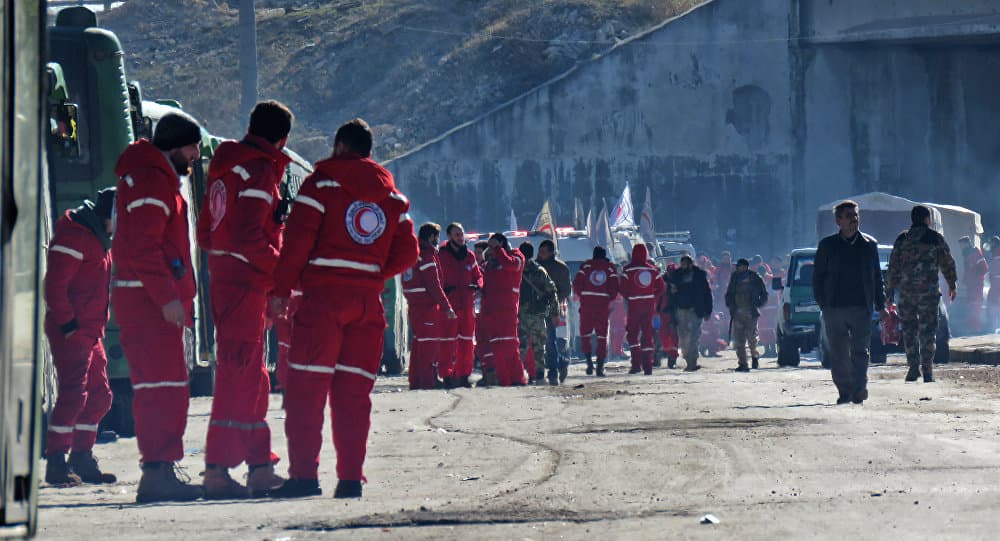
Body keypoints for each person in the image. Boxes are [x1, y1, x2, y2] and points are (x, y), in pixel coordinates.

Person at [269, 119, 418, 499]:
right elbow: (409, 251)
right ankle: (350, 479)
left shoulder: (321, 185)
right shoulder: (392, 197)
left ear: (338, 146)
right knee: (354, 395)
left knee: (306, 390)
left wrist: (282, 289)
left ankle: (304, 476)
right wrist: (372, 273)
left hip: (322, 302)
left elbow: (297, 242)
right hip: (367, 306)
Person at [195, 100, 293, 499]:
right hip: (245, 285)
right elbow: (250, 237)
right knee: (239, 378)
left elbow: (206, 233)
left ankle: (258, 466)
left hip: (229, 282)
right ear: (282, 138)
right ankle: (217, 469)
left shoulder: (223, 168)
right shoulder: (257, 171)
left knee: (252, 377)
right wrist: (279, 275)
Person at [112, 112, 203, 502]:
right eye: (193, 146)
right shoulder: (151, 182)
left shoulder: (153, 177)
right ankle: (157, 472)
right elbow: (145, 249)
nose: (197, 155)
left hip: (147, 299)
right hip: (148, 302)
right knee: (161, 386)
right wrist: (167, 298)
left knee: (165, 385)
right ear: (176, 146)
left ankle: (161, 467)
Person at [43, 188, 117, 486]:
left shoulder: (97, 237)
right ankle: (56, 463)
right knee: (74, 394)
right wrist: (68, 325)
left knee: (101, 396)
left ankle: (81, 457)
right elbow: (55, 286)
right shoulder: (76, 235)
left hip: (88, 330)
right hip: (73, 330)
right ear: (110, 215)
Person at [813, 200, 887, 405]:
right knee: (838, 353)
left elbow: (876, 277)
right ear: (838, 221)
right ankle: (845, 391)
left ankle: (860, 389)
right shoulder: (828, 245)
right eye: (848, 216)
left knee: (860, 351)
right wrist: (823, 304)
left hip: (861, 307)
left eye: (856, 215)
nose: (854, 220)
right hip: (834, 308)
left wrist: (881, 306)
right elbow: (818, 277)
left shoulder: (868, 245)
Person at [886, 206, 958, 383]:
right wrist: (952, 283)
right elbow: (947, 262)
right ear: (927, 219)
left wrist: (889, 291)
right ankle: (927, 370)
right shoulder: (934, 238)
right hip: (928, 294)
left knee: (909, 331)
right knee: (928, 330)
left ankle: (912, 368)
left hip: (907, 294)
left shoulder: (902, 239)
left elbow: (893, 266)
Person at [403, 222, 456, 390]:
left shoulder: (412, 254)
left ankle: (417, 381)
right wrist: (447, 307)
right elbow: (434, 286)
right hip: (426, 307)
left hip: (414, 305)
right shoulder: (426, 257)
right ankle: (428, 382)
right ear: (432, 237)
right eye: (436, 237)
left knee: (419, 344)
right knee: (429, 344)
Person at [438, 223, 483, 387]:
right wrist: (443, 289)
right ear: (449, 236)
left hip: (466, 304)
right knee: (447, 342)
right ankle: (447, 375)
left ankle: (464, 375)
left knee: (466, 342)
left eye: (461, 234)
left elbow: (478, 276)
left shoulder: (469, 256)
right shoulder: (441, 256)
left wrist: (478, 285)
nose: (460, 237)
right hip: (449, 306)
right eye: (456, 234)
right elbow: (435, 278)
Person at [480, 233, 526, 386]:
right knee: (497, 347)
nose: (492, 251)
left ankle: (517, 379)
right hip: (491, 312)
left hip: (508, 309)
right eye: (491, 247)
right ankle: (504, 380)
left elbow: (510, 265)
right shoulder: (489, 265)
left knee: (510, 345)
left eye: (495, 246)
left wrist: (498, 249)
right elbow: (485, 287)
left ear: (502, 244)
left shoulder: (517, 256)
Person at [573, 246, 620, 377]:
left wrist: (583, 295)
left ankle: (589, 363)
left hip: (587, 304)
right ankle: (600, 366)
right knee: (602, 336)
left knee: (585, 335)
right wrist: (608, 297)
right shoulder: (610, 268)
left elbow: (577, 284)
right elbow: (615, 287)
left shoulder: (586, 266)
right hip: (602, 306)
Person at [620, 244, 666, 375]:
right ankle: (648, 366)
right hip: (649, 307)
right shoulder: (652, 270)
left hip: (634, 307)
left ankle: (636, 365)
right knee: (648, 336)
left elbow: (622, 288)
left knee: (633, 336)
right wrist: (652, 295)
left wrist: (630, 296)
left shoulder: (627, 270)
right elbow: (662, 288)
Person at [518, 241, 559, 384]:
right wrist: (555, 313)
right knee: (539, 347)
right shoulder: (539, 270)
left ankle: (518, 375)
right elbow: (552, 291)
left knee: (520, 346)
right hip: (536, 315)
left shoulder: (516, 270)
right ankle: (540, 375)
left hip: (520, 314)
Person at [668, 255, 713, 371]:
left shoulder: (699, 275)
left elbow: (707, 293)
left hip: (695, 310)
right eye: (682, 263)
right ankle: (688, 359)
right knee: (683, 337)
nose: (683, 265)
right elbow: (671, 294)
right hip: (680, 310)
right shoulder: (676, 276)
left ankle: (692, 362)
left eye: (685, 263)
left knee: (693, 336)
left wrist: (708, 310)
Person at [537, 239, 572, 383]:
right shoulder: (535, 267)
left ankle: (555, 370)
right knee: (538, 342)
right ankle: (538, 372)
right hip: (536, 309)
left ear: (551, 252)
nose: (540, 254)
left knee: (551, 341)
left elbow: (566, 290)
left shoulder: (561, 268)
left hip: (553, 310)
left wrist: (553, 300)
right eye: (540, 251)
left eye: (544, 252)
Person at [724, 258, 768, 372]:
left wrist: (758, 303)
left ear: (746, 266)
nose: (739, 268)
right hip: (738, 312)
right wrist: (730, 304)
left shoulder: (754, 277)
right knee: (739, 340)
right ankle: (743, 363)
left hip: (751, 312)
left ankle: (754, 356)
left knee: (752, 339)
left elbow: (764, 293)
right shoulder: (735, 278)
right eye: (738, 266)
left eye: (741, 266)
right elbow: (729, 293)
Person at [957, 236, 988, 335]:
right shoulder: (966, 254)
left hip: (976, 285)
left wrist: (974, 278)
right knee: (971, 306)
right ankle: (973, 328)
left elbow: (984, 268)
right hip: (971, 286)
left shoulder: (975, 253)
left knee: (975, 306)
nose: (960, 247)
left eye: (961, 245)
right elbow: (968, 270)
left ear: (966, 243)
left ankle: (976, 329)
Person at [656, 263, 681, 368]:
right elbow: (658, 296)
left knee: (674, 336)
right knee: (663, 335)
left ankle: (672, 358)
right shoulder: (662, 281)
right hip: (664, 312)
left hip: (676, 312)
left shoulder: (680, 282)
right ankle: (667, 352)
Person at [988, 235, 1000, 333]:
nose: (990, 244)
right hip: (995, 281)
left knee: (993, 302)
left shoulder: (997, 252)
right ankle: (995, 325)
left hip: (997, 281)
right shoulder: (994, 252)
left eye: (992, 242)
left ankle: (995, 325)